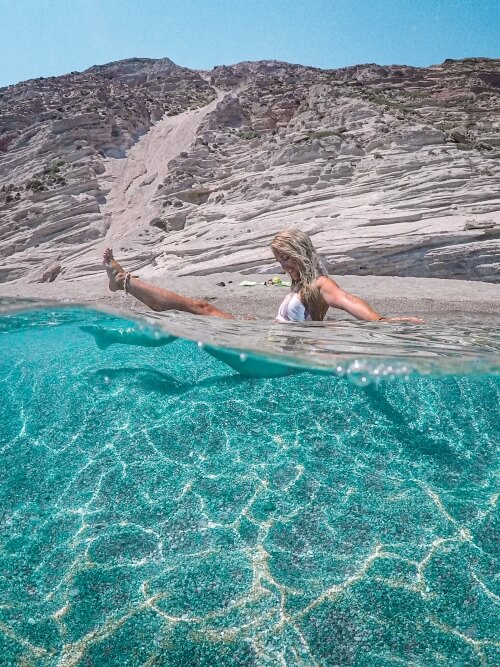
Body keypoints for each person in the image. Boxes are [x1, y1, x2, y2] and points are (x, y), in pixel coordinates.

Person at [102, 229, 423, 324]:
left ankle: (124, 281)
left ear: (300, 253)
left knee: (198, 308)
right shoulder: (299, 283)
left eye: (286, 258)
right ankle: (125, 282)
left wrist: (382, 323)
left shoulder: (320, 284)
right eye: (278, 259)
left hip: (278, 362)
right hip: (270, 343)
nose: (282, 265)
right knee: (197, 310)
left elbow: (347, 300)